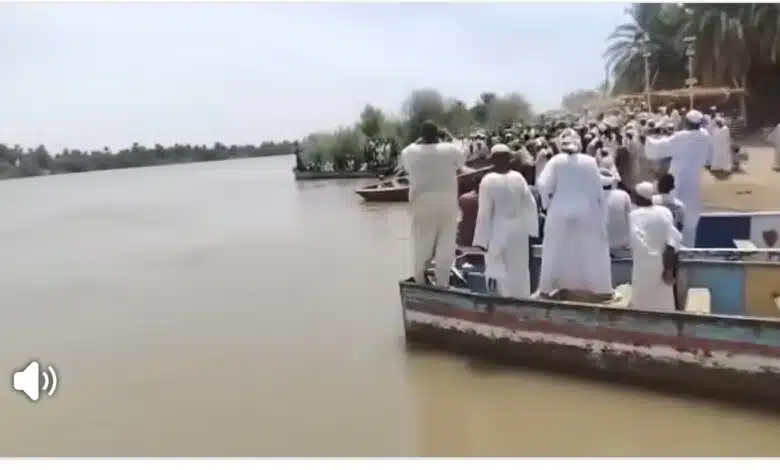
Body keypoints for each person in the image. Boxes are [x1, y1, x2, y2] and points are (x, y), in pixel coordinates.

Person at [536, 132, 613, 298]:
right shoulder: (590, 161)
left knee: (555, 249)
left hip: (559, 211)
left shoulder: (556, 161)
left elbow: (542, 184)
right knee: (591, 249)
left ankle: (548, 289)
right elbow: (598, 187)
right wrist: (600, 211)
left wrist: (547, 205)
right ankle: (601, 290)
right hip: (587, 212)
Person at [401, 120, 467, 286]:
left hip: (421, 206)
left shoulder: (410, 152)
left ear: (421, 135)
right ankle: (442, 283)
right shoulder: (450, 149)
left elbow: (407, 153)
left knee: (421, 245)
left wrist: (419, 140)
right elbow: (462, 154)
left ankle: (420, 281)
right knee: (446, 245)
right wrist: (449, 135)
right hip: (447, 206)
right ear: (438, 134)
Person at [472, 144, 539, 298]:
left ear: (493, 161)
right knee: (519, 268)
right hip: (519, 231)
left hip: (498, 230)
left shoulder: (488, 180)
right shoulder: (518, 177)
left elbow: (484, 212)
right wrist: (531, 230)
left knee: (498, 269)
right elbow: (530, 204)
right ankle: (522, 299)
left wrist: (481, 241)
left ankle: (502, 301)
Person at [643, 109, 713, 247]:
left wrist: (647, 138)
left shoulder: (682, 137)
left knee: (673, 223)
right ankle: (689, 251)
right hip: (693, 183)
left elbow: (658, 149)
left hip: (677, 184)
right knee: (690, 224)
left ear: (686, 122)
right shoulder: (705, 136)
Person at [629, 182, 682, 311]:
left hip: (643, 266)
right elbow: (673, 241)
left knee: (642, 305)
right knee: (664, 304)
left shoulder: (633, 216)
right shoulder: (665, 212)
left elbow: (634, 241)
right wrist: (669, 269)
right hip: (663, 264)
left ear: (638, 197)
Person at [601, 167, 632, 252]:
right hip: (622, 244)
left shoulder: (592, 197)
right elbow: (630, 217)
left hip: (600, 245)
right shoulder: (623, 195)